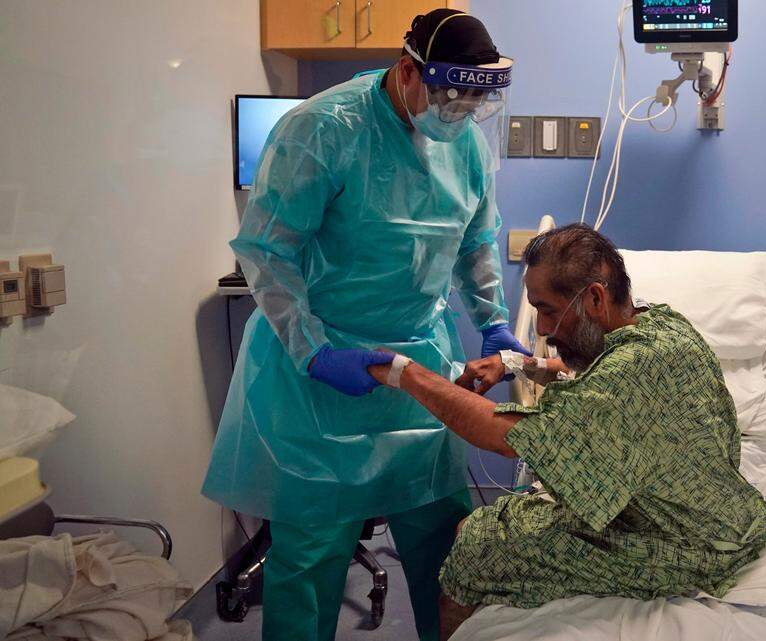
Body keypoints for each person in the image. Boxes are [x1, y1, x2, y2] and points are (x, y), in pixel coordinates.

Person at [200, 9, 527, 641]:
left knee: (448, 546)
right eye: (449, 98)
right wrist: (314, 352)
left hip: (422, 369)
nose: (458, 115)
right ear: (408, 72)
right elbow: (268, 253)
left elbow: (476, 241)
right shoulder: (321, 130)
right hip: (322, 370)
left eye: (472, 103)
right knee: (311, 558)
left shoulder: (465, 142)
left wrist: (492, 321)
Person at [367, 224, 766, 640]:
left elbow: (503, 435)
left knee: (474, 548)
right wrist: (516, 364)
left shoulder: (630, 372)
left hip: (687, 544)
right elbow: (590, 369)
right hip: (712, 512)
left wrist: (405, 373)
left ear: (595, 297)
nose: (541, 329)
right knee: (474, 527)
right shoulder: (660, 325)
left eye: (549, 310)